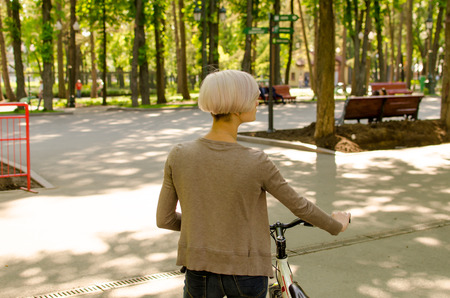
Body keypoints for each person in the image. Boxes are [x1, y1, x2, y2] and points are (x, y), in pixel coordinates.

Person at [156, 70, 351, 298]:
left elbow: (165, 219)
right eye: (254, 97)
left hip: (199, 272)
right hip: (246, 272)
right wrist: (336, 225)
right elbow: (300, 206)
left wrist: (206, 228)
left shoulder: (179, 155)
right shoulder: (256, 161)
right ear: (238, 107)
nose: (258, 102)